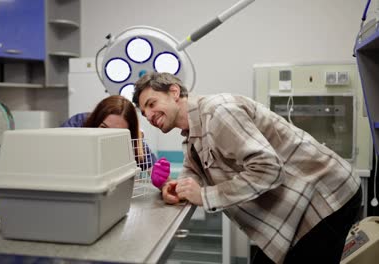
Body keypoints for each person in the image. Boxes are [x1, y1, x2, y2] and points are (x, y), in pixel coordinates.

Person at [132, 72, 362, 264]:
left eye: (151, 104)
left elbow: (268, 169)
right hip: (298, 207)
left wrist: (204, 195)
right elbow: (194, 167)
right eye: (144, 113)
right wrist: (176, 187)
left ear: (174, 92)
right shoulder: (193, 133)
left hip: (325, 197)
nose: (149, 116)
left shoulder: (218, 113)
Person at [61, 95, 157, 170]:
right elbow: (56, 152)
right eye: (103, 128)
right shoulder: (78, 124)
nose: (108, 137)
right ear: (96, 121)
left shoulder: (134, 142)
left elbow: (152, 167)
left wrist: (164, 183)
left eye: (117, 133)